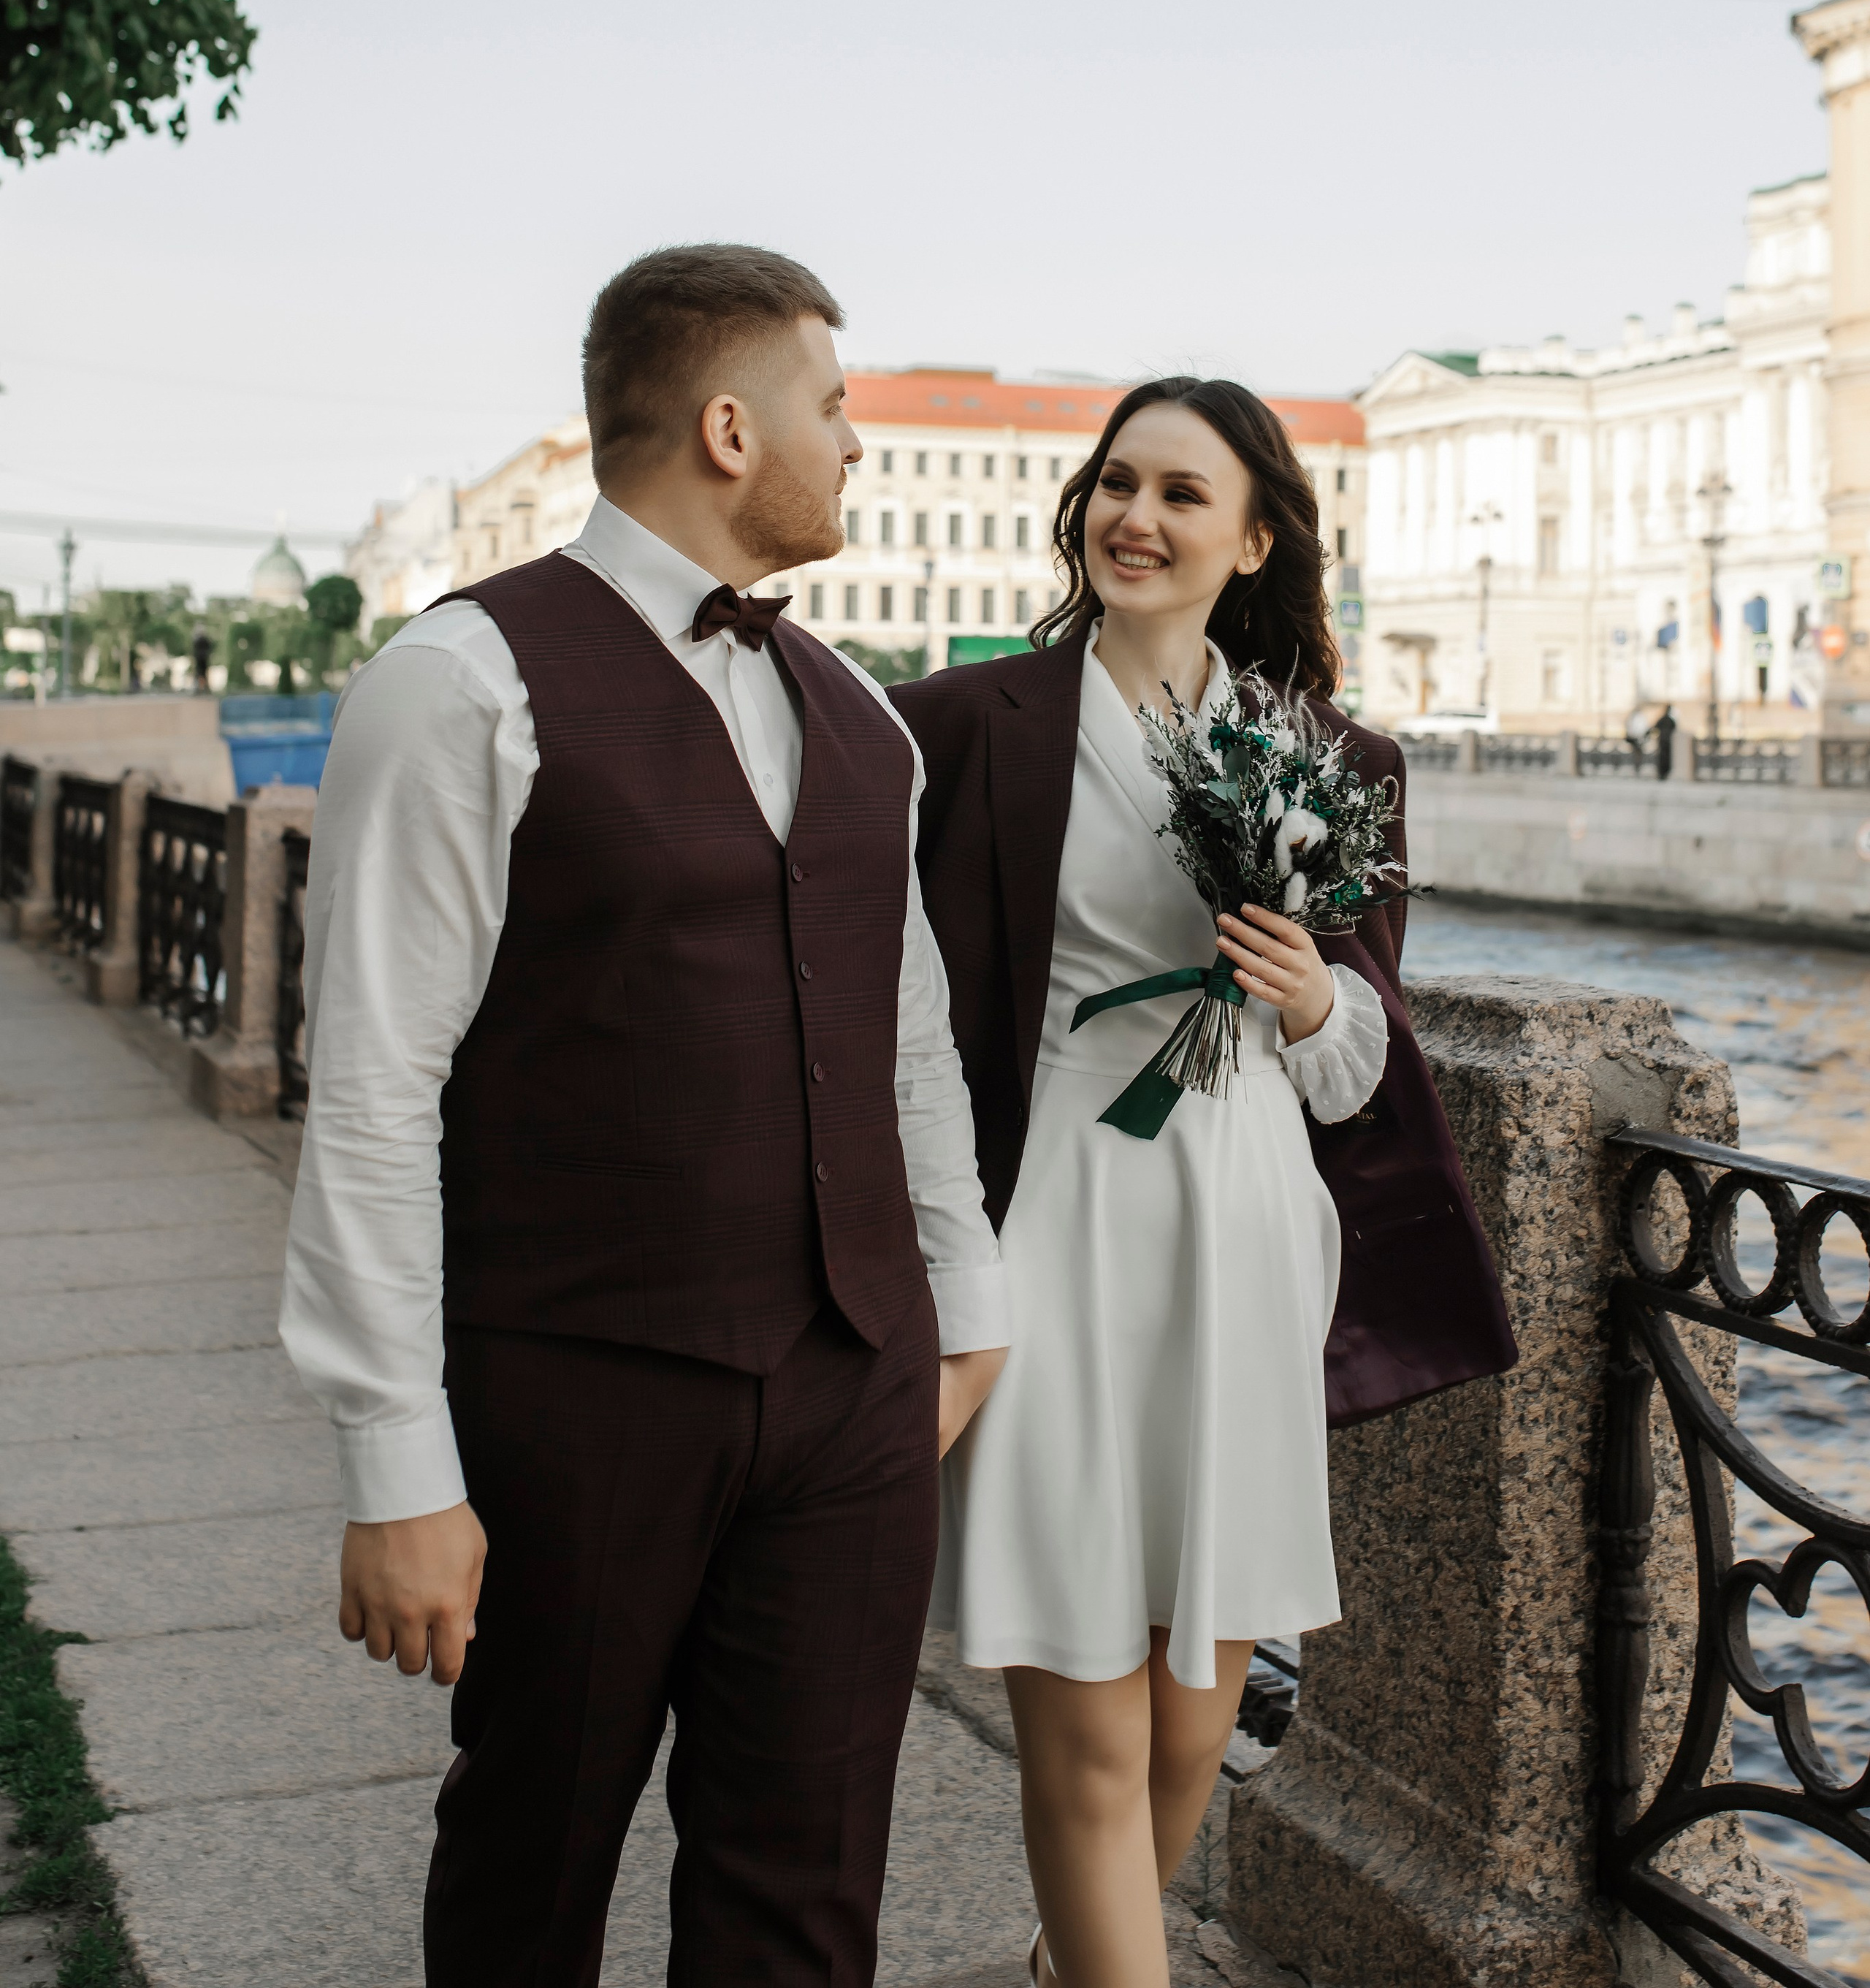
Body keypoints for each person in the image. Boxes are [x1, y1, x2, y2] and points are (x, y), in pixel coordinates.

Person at [279, 244, 1010, 1988]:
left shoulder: (862, 723)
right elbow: (373, 1092)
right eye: (838, 410)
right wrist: (396, 1465)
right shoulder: (459, 683)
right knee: (537, 1851)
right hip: (577, 1385)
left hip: (847, 1394)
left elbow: (908, 1038)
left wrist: (963, 1311)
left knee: (808, 1882)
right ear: (733, 428)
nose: (860, 446)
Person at [894, 378, 1516, 1988]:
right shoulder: (964, 729)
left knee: (1191, 1727)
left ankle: (1064, 1970)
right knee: (1090, 1742)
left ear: (1250, 540)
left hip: (1245, 1242)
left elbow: (1356, 1079)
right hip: (1058, 1233)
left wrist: (1314, 999)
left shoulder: (1335, 760)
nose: (1135, 517)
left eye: (1180, 494)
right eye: (1115, 483)